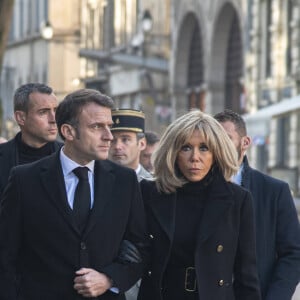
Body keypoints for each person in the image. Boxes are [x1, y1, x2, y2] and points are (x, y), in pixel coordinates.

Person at [0, 89, 148, 300]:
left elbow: (140, 247)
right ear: (69, 132)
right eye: (97, 127)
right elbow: (6, 255)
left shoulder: (124, 181)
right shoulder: (25, 179)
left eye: (109, 126)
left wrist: (109, 279)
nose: (108, 136)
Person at [138, 109, 261, 300]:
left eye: (204, 148)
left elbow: (247, 274)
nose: (195, 157)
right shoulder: (150, 193)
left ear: (216, 153)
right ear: (173, 152)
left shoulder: (238, 199)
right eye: (186, 147)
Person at [214, 109, 300, 300]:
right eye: (213, 139)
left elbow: (293, 254)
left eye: (226, 138)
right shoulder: (195, 189)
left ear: (245, 143)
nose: (218, 146)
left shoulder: (274, 191)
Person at [0, 83, 62, 196]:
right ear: (21, 118)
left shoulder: (70, 157)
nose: (54, 119)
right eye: (43, 112)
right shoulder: (3, 156)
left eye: (56, 111)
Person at [109, 108, 152, 182]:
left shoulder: (153, 186)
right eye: (112, 140)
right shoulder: (95, 181)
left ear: (142, 144)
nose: (117, 146)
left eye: (125, 139)